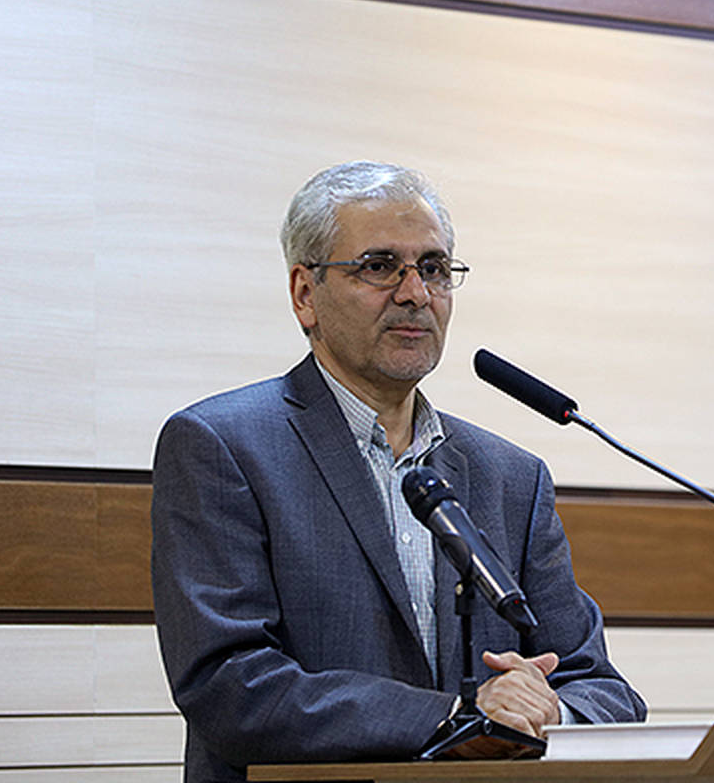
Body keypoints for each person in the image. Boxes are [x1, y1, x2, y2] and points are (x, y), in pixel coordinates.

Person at [151, 160, 646, 781]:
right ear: (305, 294)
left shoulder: (511, 478)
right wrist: (458, 718)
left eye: (434, 268)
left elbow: (600, 687)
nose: (416, 294)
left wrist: (549, 711)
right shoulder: (223, 446)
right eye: (380, 266)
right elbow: (230, 686)